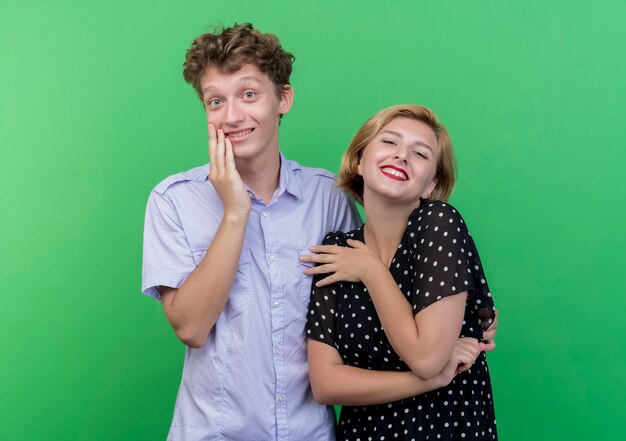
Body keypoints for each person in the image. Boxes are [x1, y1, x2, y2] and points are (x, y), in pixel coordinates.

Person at [142, 23, 498, 440]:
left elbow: (382, 280)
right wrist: (235, 212)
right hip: (216, 432)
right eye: (215, 101)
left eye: (249, 94)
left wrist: (469, 313)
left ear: (284, 99)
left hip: (311, 432)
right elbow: (191, 328)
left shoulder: (327, 197)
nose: (233, 115)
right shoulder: (173, 201)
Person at [303, 104, 498, 440]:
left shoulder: (438, 224)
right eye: (390, 142)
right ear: (360, 161)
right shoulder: (338, 249)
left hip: (442, 429)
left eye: (420, 153)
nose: (402, 156)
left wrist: (370, 270)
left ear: (430, 185)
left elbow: (425, 358)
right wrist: (432, 379)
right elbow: (325, 384)